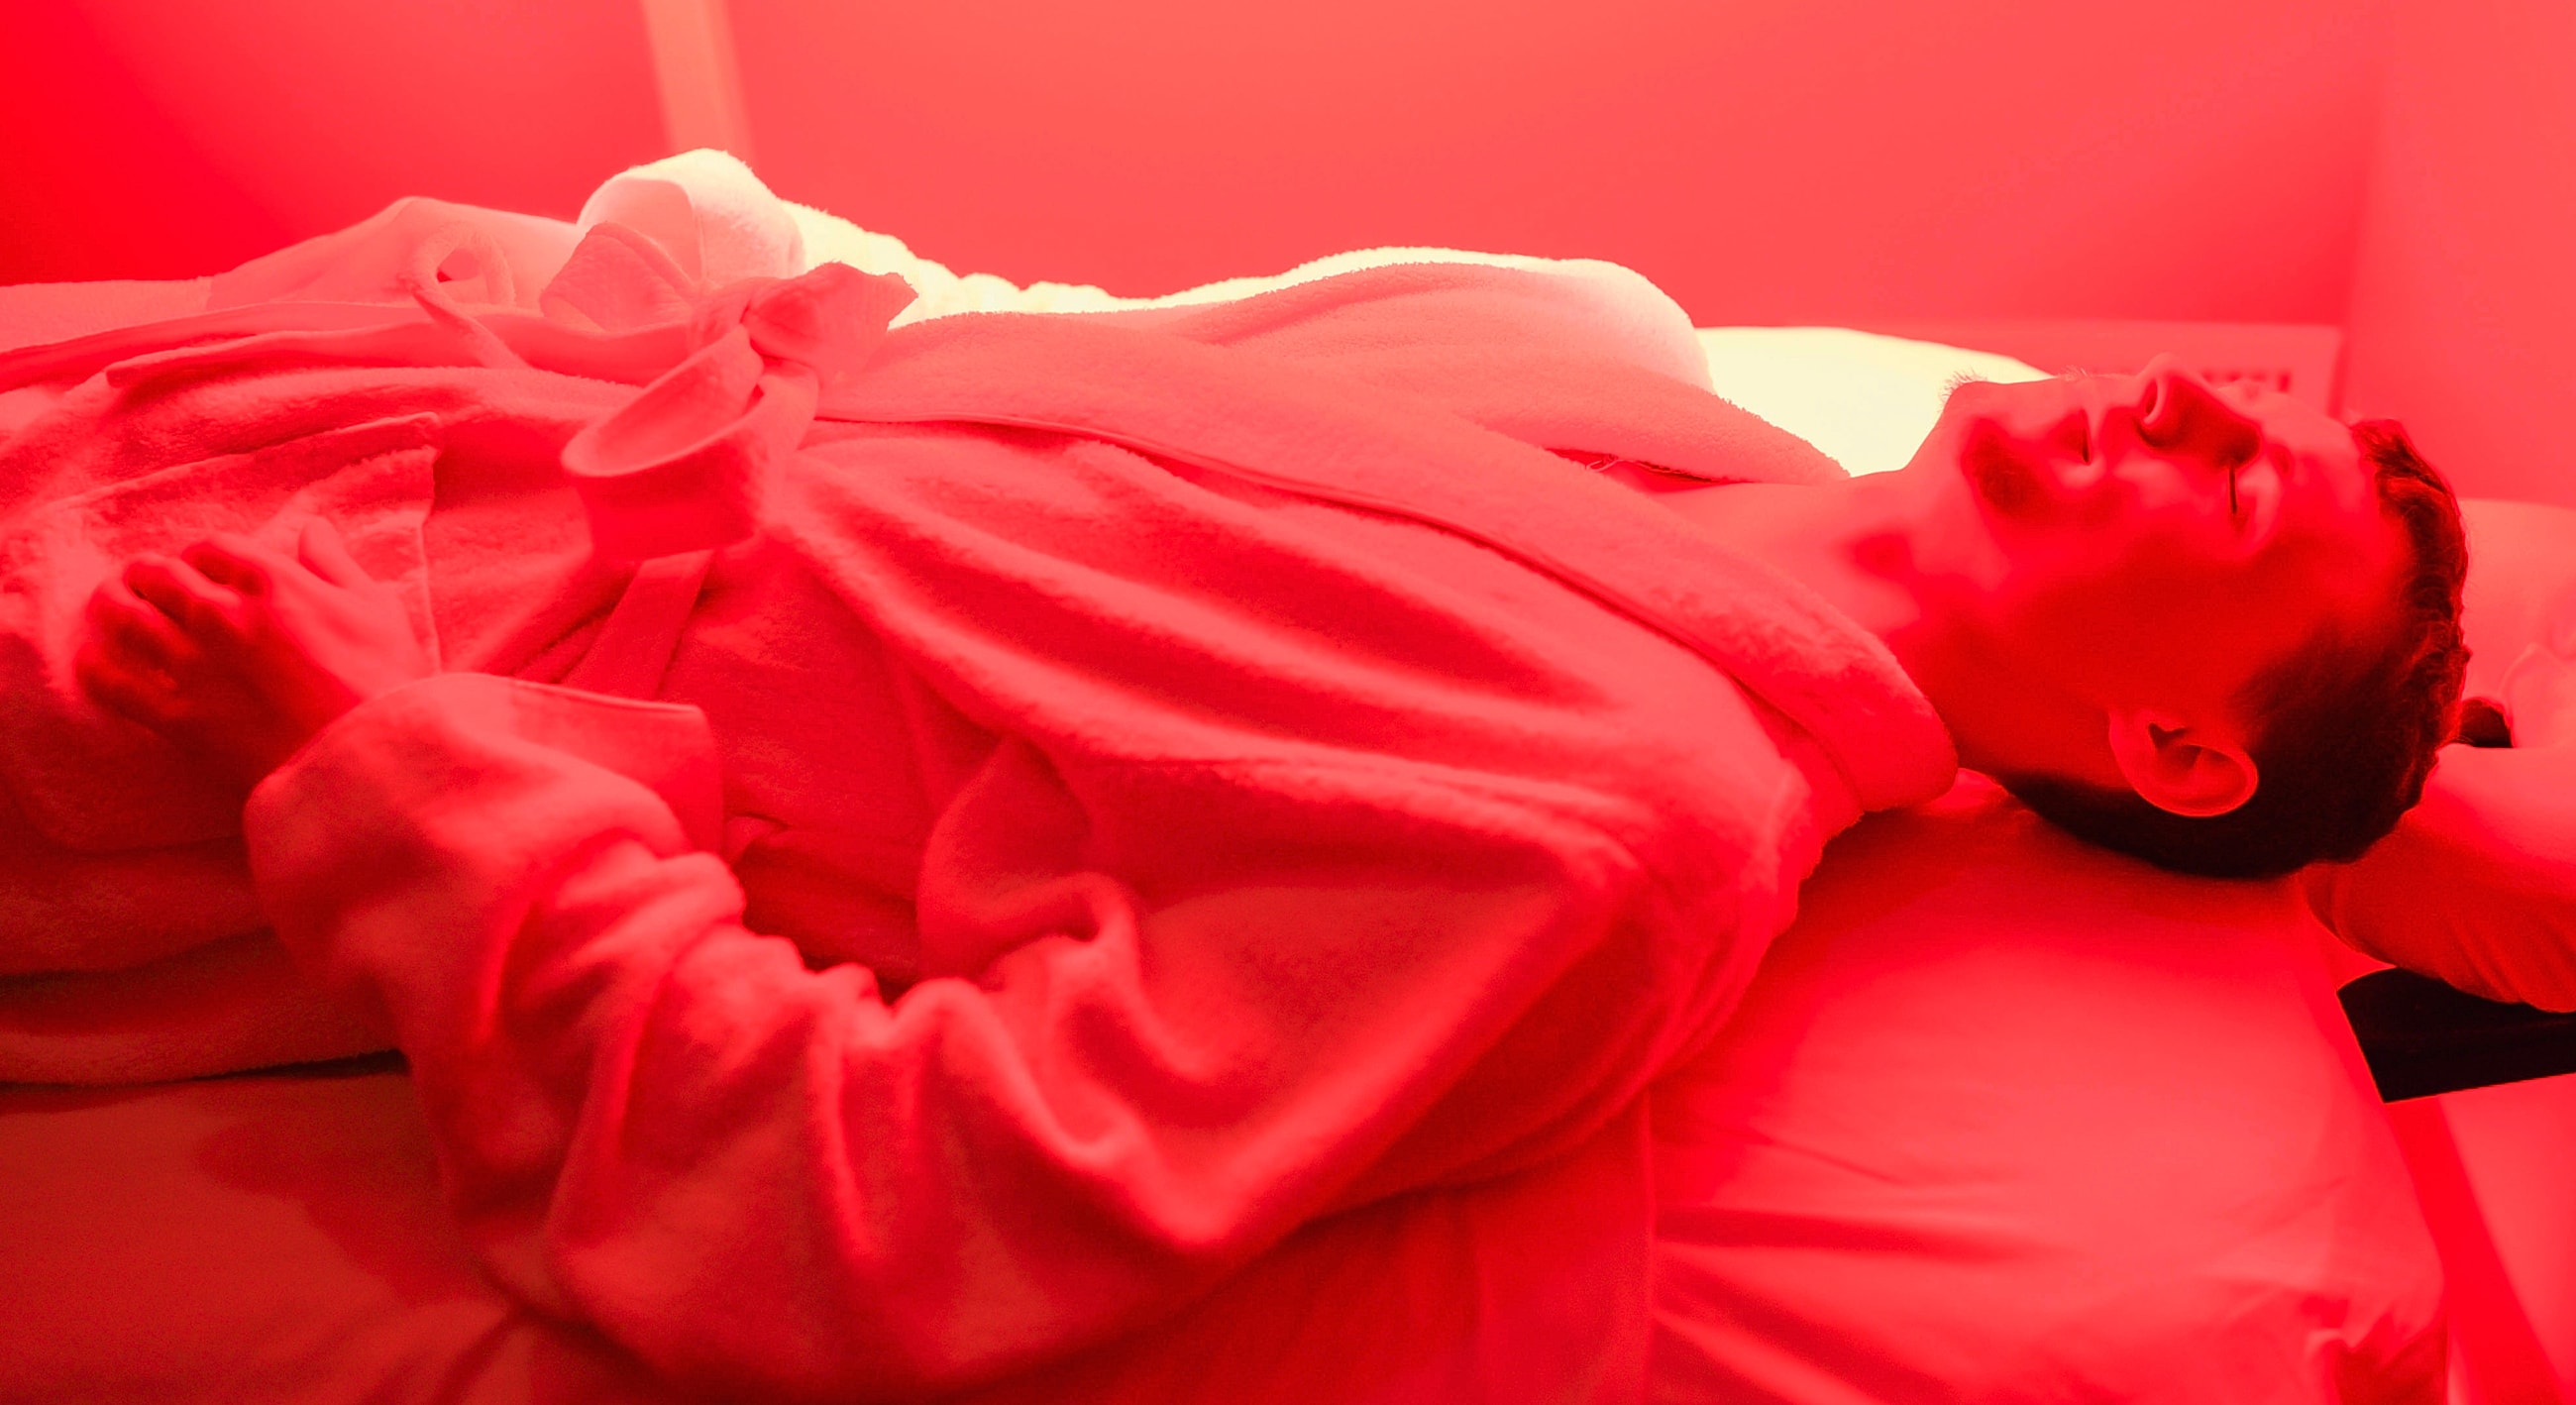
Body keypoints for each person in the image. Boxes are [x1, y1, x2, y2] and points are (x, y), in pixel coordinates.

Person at [14, 194, 2470, 1401]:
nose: (2198, 397)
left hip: (254, 652)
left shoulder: (1622, 834)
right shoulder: (1634, 407)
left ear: (2175, 751)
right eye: (2246, 399)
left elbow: (870, 1213)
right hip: (309, 384)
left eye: (2258, 492)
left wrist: (387, 764)